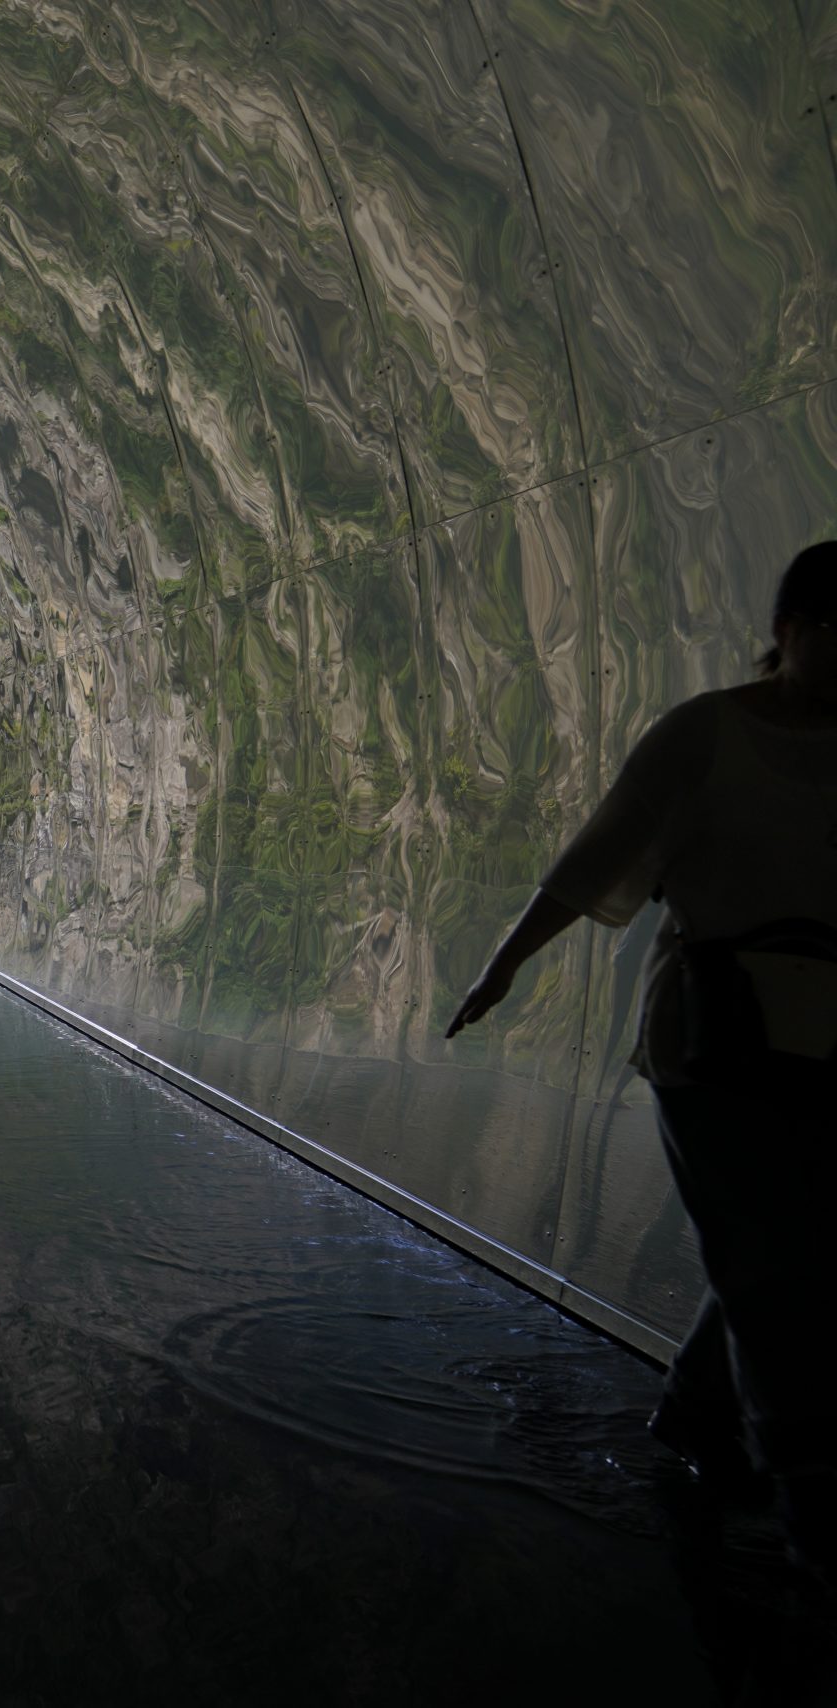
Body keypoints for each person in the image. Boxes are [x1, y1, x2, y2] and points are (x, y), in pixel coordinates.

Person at [446, 539, 837, 1568]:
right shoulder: (703, 737)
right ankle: (807, 1512)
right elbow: (591, 865)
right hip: (713, 1039)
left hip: (823, 1037)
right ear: (786, 633)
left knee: (781, 1249)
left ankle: (695, 1416)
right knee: (764, 1259)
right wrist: (501, 968)